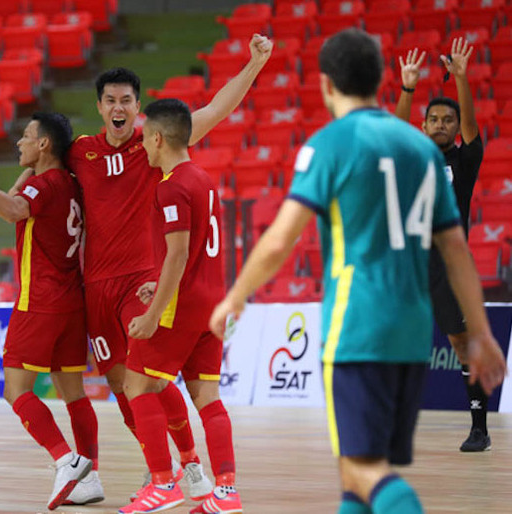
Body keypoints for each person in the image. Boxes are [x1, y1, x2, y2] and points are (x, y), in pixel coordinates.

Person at [209, 28, 507, 514]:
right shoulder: (421, 155)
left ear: (327, 84)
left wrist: (235, 295)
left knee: (364, 471)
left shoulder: (332, 144)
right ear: (382, 79)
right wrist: (484, 332)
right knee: (360, 474)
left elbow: (280, 238)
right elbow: (457, 249)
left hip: (361, 321)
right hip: (411, 329)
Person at [66, 33, 273, 500]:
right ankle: (164, 468)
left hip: (144, 280)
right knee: (121, 384)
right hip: (97, 286)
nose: (118, 107)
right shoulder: (81, 151)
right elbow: (42, 160)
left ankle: (185, 467)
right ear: (100, 107)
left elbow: (217, 109)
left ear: (137, 107)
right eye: (110, 100)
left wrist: (253, 65)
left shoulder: (156, 143)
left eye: (126, 100)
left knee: (147, 379)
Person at [0, 112, 100, 510]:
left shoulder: (43, 186)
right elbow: (18, 199)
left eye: (27, 137)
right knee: (74, 394)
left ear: (44, 144)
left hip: (40, 302)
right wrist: (28, 171)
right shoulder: (69, 183)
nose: (19, 142)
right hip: (72, 301)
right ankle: (90, 477)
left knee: (15, 390)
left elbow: (13, 209)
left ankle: (66, 461)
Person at [117, 98, 240, 514]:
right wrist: (160, 285)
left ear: (157, 138)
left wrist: (153, 314)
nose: (142, 146)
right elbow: (195, 253)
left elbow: (179, 252)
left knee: (137, 385)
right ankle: (226, 491)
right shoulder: (203, 179)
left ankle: (163, 484)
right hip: (212, 303)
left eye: (144, 139)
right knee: (207, 396)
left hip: (182, 307)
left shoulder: (170, 186)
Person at [394, 38, 489, 452]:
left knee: (461, 345)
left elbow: (472, 129)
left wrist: (462, 78)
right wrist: (408, 88)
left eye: (448, 120)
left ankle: (479, 428)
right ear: (423, 126)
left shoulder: (464, 162)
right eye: (433, 119)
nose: (441, 125)